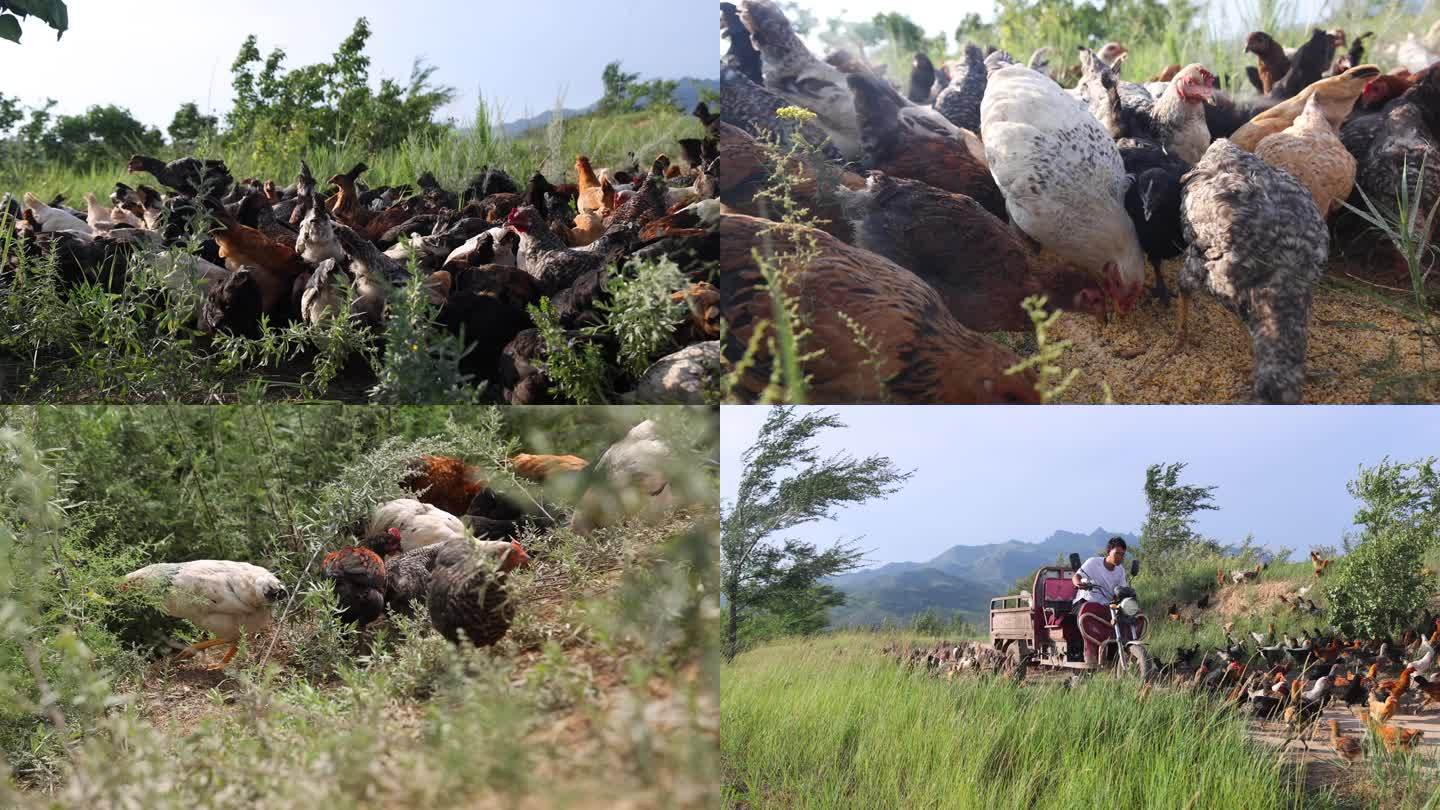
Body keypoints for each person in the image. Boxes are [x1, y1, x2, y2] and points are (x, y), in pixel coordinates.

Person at [1072, 537, 1130, 666]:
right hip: (1085, 601)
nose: (1120, 557)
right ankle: (1089, 656)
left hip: (1106, 606)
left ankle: (1115, 657)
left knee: (1125, 617)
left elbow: (1120, 590)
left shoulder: (1120, 570)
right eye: (1117, 553)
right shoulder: (1093, 563)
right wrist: (1078, 584)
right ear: (1108, 552)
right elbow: (1077, 576)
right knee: (1089, 614)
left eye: (1123, 555)